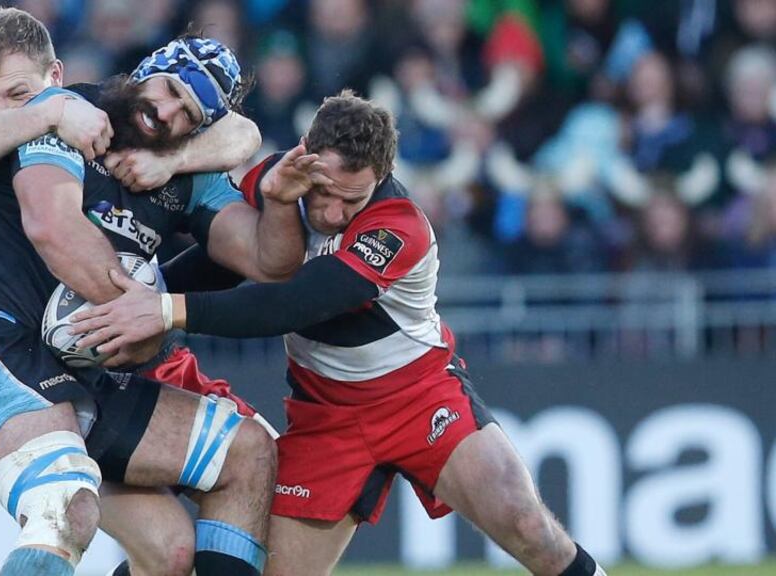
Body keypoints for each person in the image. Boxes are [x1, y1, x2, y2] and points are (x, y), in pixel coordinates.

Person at [74, 91, 611, 576]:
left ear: (381, 177)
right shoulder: (279, 183)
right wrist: (144, 293)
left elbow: (294, 303)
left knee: (529, 528)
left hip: (420, 398)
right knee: (254, 566)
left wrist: (163, 308)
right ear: (307, 155)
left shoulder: (399, 226)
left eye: (351, 202)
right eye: (324, 193)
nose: (332, 213)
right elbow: (228, 260)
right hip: (326, 418)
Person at [0, 9, 320, 576]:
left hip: (88, 369)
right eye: (169, 91)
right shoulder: (64, 114)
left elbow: (267, 260)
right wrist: (145, 316)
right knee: (64, 508)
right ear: (147, 71)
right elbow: (52, 228)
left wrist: (278, 201)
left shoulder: (187, 171)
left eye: (189, 113)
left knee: (232, 473)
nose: (167, 112)